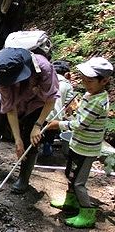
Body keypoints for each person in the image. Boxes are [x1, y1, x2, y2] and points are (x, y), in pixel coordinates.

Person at [0, 47, 60, 194]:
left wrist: (38, 125)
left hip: (36, 104)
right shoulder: (0, 68)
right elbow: (9, 108)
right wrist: (16, 139)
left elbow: (51, 99)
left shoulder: (44, 68)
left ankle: (23, 178)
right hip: (14, 102)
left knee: (31, 139)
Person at [46, 57, 113, 228]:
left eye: (89, 81)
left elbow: (81, 124)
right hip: (78, 144)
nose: (84, 83)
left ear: (104, 81)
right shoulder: (90, 94)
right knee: (70, 174)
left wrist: (58, 124)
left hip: (87, 149)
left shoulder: (99, 101)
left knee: (79, 182)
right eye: (83, 79)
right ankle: (71, 201)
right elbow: (80, 115)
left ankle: (87, 213)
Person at [42, 60, 75, 156]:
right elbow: (68, 105)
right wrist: (70, 114)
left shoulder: (46, 80)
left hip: (41, 113)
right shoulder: (67, 85)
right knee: (49, 135)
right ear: (66, 74)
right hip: (55, 117)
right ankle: (46, 149)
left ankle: (33, 151)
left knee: (38, 132)